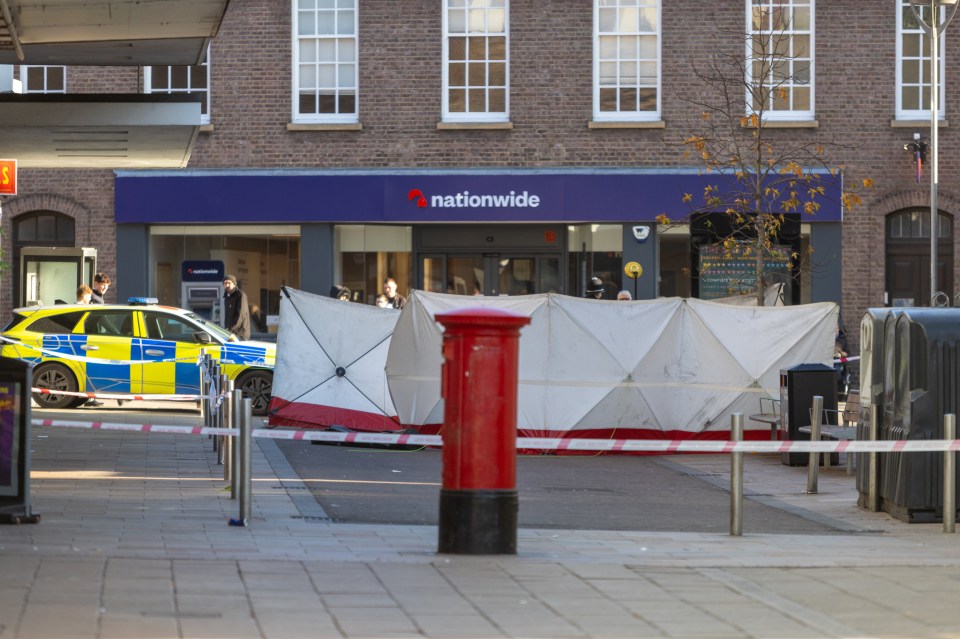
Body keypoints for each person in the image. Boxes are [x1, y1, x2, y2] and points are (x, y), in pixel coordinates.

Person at [222, 275, 250, 340]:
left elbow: (241, 315)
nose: (227, 285)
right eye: (225, 283)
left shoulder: (240, 295)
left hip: (240, 334)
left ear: (234, 284)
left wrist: (232, 329)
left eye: (229, 283)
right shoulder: (227, 296)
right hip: (230, 333)